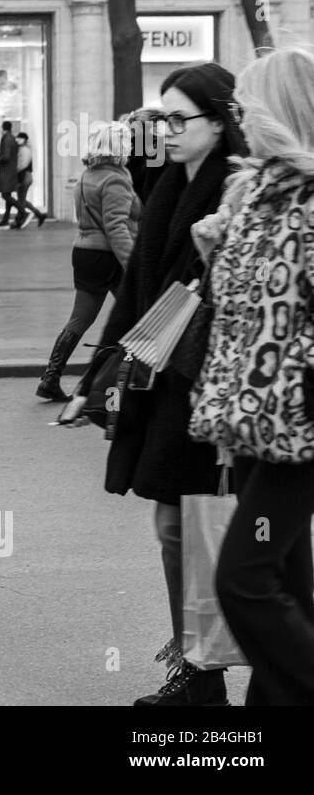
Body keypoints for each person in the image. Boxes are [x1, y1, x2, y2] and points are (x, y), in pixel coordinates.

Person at [88, 61, 247, 706]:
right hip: (165, 377)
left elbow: (209, 293)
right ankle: (201, 669)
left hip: (205, 381)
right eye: (164, 118)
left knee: (199, 524)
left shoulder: (236, 191)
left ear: (220, 122)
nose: (167, 130)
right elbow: (137, 286)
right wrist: (100, 373)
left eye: (182, 119)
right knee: (175, 523)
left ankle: (212, 671)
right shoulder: (167, 184)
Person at [189, 46, 314, 705]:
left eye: (246, 103)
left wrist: (297, 375)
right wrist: (218, 251)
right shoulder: (257, 190)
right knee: (287, 581)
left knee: (243, 575)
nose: (237, 114)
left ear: (279, 109)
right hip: (255, 419)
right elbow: (244, 309)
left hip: (300, 423)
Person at [37, 120, 140, 401]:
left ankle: (51, 377)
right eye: (127, 141)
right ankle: (123, 379)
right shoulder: (116, 178)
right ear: (117, 145)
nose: (131, 146)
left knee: (80, 319)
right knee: (137, 312)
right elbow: (116, 227)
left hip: (84, 253)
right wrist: (133, 266)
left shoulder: (86, 176)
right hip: (108, 256)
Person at [10, 132, 47, 228]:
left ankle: (19, 221)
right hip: (24, 176)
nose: (18, 140)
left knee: (20, 201)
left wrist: (16, 175)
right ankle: (39, 215)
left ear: (25, 140)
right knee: (21, 200)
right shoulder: (23, 148)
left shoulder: (25, 149)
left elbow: (23, 165)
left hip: (24, 176)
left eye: (20, 138)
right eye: (17, 138)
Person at [0, 120, 19, 228]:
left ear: (2, 127)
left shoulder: (7, 139)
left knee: (5, 194)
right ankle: (5, 218)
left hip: (6, 171)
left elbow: (6, 156)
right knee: (7, 195)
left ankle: (22, 210)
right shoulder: (12, 138)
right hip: (10, 170)